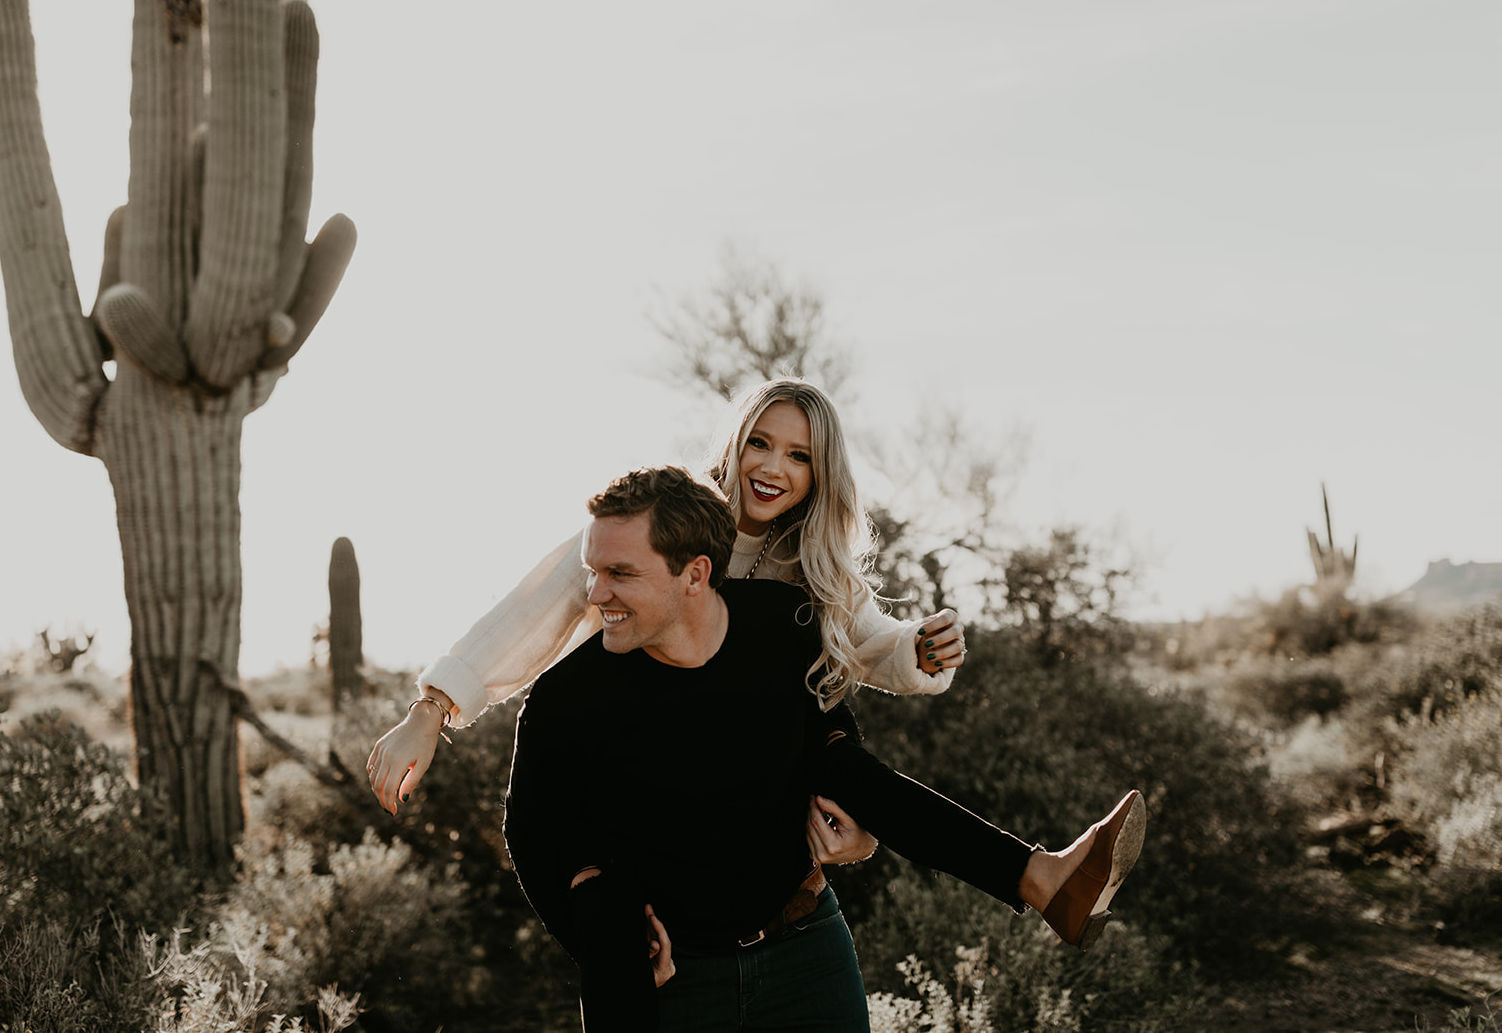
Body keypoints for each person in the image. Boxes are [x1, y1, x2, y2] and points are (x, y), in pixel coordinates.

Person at [368, 377, 1141, 945]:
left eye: (798, 456)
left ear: (819, 475)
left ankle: (1045, 880)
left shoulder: (810, 564)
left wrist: (920, 649)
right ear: (735, 444)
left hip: (761, 750)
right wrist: (431, 709)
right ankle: (1039, 877)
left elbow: (874, 644)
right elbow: (534, 608)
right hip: (664, 737)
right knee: (831, 754)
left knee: (840, 751)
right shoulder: (665, 520)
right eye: (760, 443)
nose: (772, 467)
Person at [504, 466, 1145, 1030]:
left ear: (695, 574)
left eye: (620, 574)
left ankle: (1046, 881)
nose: (595, 596)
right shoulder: (567, 699)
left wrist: (860, 832)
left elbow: (840, 754)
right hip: (674, 984)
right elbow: (528, 834)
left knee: (850, 768)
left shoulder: (785, 624)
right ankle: (1044, 881)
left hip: (805, 954)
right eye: (593, 573)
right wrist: (601, 940)